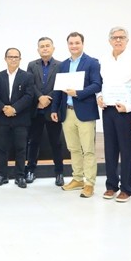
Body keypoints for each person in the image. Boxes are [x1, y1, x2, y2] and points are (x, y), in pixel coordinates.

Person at [51, 32, 102, 198]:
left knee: (88, 150)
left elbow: (97, 84)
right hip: (67, 112)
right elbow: (58, 89)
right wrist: (54, 109)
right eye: (71, 43)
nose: (74, 46)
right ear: (68, 45)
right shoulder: (63, 65)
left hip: (85, 113)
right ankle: (77, 178)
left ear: (82, 44)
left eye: (77, 43)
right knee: (73, 148)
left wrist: (78, 93)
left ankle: (89, 183)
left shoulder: (92, 63)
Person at [97, 27, 131, 203]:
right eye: (114, 38)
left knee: (126, 149)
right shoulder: (104, 59)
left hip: (126, 110)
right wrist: (99, 97)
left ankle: (126, 188)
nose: (118, 40)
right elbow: (100, 83)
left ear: (127, 40)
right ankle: (111, 186)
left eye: (122, 37)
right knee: (110, 149)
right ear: (109, 40)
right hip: (108, 109)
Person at [0, 48, 34, 188]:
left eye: (16, 57)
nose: (13, 59)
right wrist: (4, 108)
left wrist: (14, 108)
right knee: (2, 148)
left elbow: (29, 96)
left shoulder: (27, 76)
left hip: (20, 118)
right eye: (10, 57)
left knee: (21, 148)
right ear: (5, 58)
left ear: (20, 59)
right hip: (2, 118)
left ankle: (19, 176)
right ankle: (2, 175)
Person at [26, 37, 65, 186]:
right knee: (33, 141)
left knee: (56, 143)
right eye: (42, 46)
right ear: (38, 49)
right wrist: (40, 98)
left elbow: (60, 86)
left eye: (47, 46)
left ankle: (59, 173)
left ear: (53, 48)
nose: (45, 48)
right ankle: (30, 170)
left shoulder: (61, 65)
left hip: (53, 109)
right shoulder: (31, 65)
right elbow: (30, 84)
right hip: (36, 109)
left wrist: (48, 98)